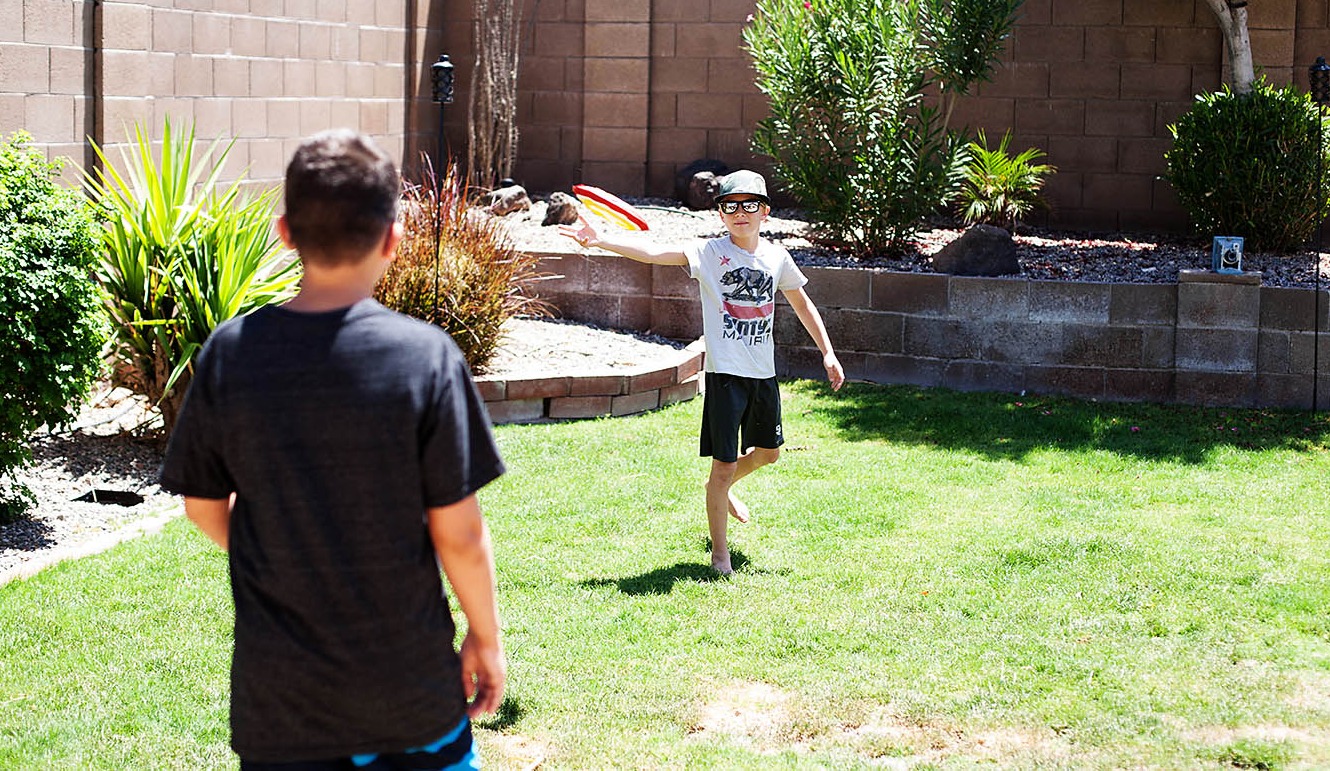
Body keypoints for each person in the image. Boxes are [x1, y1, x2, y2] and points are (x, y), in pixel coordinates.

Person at [160, 129, 506, 770]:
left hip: (283, 712)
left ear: (285, 232)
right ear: (394, 241)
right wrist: (485, 637)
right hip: (413, 699)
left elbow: (202, 505)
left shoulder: (230, 355)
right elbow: (458, 534)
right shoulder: (427, 360)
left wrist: (279, 547)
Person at [559, 169, 844, 574]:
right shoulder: (710, 254)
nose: (740, 212)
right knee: (724, 464)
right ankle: (720, 555)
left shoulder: (777, 258)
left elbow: (802, 305)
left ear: (765, 212)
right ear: (721, 214)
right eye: (730, 206)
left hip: (762, 376)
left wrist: (828, 353)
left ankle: (719, 489)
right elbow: (655, 253)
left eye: (749, 205)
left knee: (769, 453)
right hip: (725, 377)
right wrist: (601, 240)